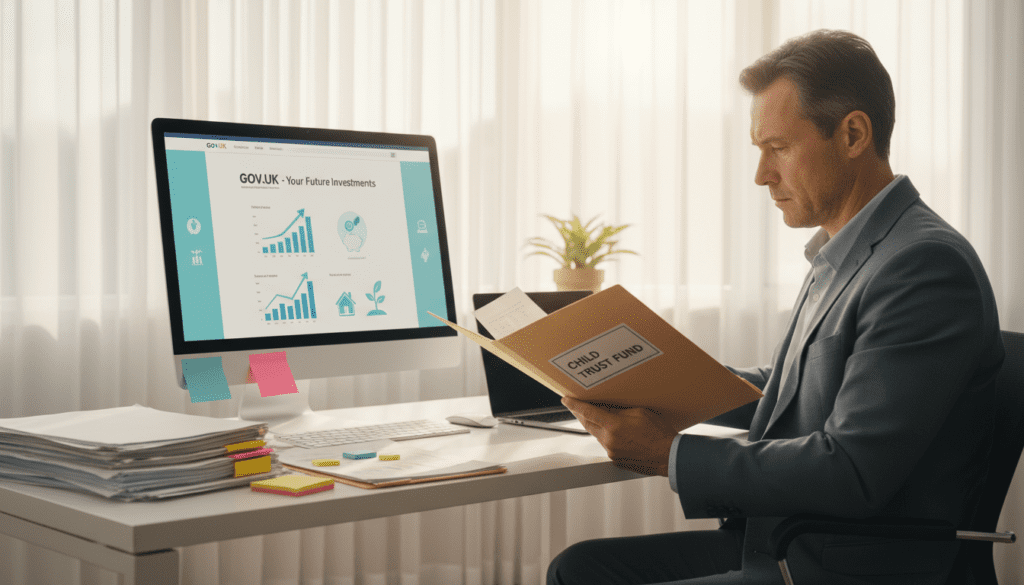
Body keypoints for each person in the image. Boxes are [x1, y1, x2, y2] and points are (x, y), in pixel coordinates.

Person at [547, 29, 1005, 585]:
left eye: (778, 148)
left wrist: (669, 455)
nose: (762, 174)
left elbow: (853, 468)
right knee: (579, 568)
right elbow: (793, 390)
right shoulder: (853, 249)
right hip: (788, 543)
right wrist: (650, 382)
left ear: (853, 134)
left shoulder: (924, 265)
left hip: (836, 566)